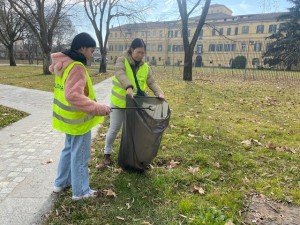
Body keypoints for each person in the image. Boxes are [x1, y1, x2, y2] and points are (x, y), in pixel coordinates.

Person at [50, 32, 111, 201]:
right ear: (82, 48)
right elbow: (73, 96)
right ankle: (81, 191)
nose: (92, 55)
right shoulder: (77, 66)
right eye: (91, 51)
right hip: (78, 121)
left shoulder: (64, 64)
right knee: (81, 156)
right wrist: (99, 108)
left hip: (67, 119)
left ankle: (60, 183)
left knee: (68, 151)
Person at [101, 38, 165, 167]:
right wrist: (128, 86)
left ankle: (132, 156)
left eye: (143, 53)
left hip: (134, 105)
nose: (141, 55)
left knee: (134, 132)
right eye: (138, 52)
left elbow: (151, 82)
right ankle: (107, 154)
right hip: (119, 103)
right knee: (114, 129)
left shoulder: (145, 67)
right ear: (131, 50)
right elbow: (120, 73)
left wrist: (159, 93)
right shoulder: (121, 60)